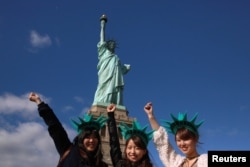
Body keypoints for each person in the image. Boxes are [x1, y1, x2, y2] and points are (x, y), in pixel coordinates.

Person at [29, 92, 108, 167]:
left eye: (95, 137)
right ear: (81, 138)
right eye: (88, 137)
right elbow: (55, 127)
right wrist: (40, 103)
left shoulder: (101, 165)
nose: (91, 140)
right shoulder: (68, 150)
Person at [144, 102, 207, 167]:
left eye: (186, 139)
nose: (182, 143)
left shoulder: (206, 159)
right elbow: (162, 143)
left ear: (195, 139)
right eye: (178, 140)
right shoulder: (176, 162)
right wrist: (151, 116)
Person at [93, 15, 130, 106]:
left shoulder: (116, 57)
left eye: (114, 44)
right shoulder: (103, 52)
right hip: (105, 74)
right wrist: (102, 25)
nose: (112, 45)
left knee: (114, 88)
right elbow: (102, 38)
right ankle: (102, 102)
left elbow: (119, 70)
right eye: (111, 43)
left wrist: (124, 68)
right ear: (107, 45)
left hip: (114, 76)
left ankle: (113, 103)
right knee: (102, 86)